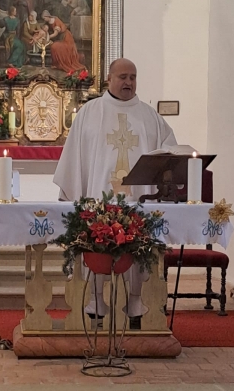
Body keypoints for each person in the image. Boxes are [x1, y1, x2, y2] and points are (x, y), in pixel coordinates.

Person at [53, 59, 177, 328]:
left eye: (133, 77)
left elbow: (170, 153)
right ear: (109, 79)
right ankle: (95, 304)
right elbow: (74, 157)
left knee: (139, 250)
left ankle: (135, 304)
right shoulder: (90, 113)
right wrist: (74, 194)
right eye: (123, 77)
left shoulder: (150, 117)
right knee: (96, 247)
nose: (128, 82)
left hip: (138, 202)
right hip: (98, 200)